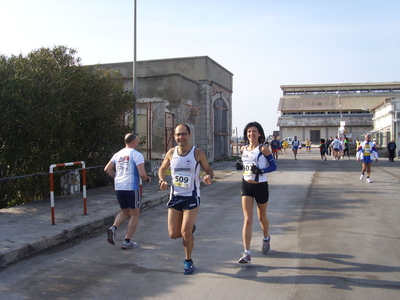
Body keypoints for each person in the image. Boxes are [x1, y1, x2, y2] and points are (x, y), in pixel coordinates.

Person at [158, 124, 214, 275]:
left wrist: (208, 176)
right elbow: (162, 169)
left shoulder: (197, 153)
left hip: (191, 197)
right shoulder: (171, 153)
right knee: (173, 234)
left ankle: (188, 261)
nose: (180, 137)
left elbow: (209, 170)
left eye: (183, 134)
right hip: (175, 197)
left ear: (189, 135)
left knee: (185, 232)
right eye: (178, 135)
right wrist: (162, 181)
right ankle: (188, 231)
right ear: (174, 136)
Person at [104, 133, 152, 249]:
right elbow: (142, 174)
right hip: (131, 187)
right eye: (137, 141)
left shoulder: (118, 154)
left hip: (119, 187)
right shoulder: (136, 154)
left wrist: (117, 177)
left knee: (125, 212)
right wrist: (148, 179)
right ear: (134, 142)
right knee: (134, 215)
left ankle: (113, 228)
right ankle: (127, 241)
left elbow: (107, 169)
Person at [239, 121, 277, 264]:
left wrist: (262, 170)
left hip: (261, 186)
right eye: (249, 132)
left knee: (262, 218)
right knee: (248, 220)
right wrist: (240, 166)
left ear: (259, 133)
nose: (251, 134)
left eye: (254, 131)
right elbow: (245, 166)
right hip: (246, 185)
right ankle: (246, 253)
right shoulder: (243, 149)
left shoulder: (263, 149)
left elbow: (274, 166)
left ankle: (266, 238)